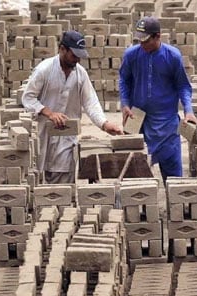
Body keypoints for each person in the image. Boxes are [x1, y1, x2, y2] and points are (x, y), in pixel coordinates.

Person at [22, 30, 123, 184]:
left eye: (79, 56)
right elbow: (28, 98)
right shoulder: (44, 70)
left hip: (66, 137)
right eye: (73, 55)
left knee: (64, 181)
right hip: (43, 135)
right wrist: (49, 113)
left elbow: (90, 102)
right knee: (39, 179)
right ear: (62, 49)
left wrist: (104, 124)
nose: (77, 60)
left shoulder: (80, 74)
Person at [119, 16, 197, 181]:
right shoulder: (131, 55)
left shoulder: (172, 56)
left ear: (157, 36)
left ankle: (176, 205)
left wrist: (188, 111)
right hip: (137, 120)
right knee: (135, 176)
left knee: (173, 177)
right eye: (139, 41)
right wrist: (125, 104)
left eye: (146, 41)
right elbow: (124, 81)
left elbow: (183, 86)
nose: (142, 44)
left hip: (166, 122)